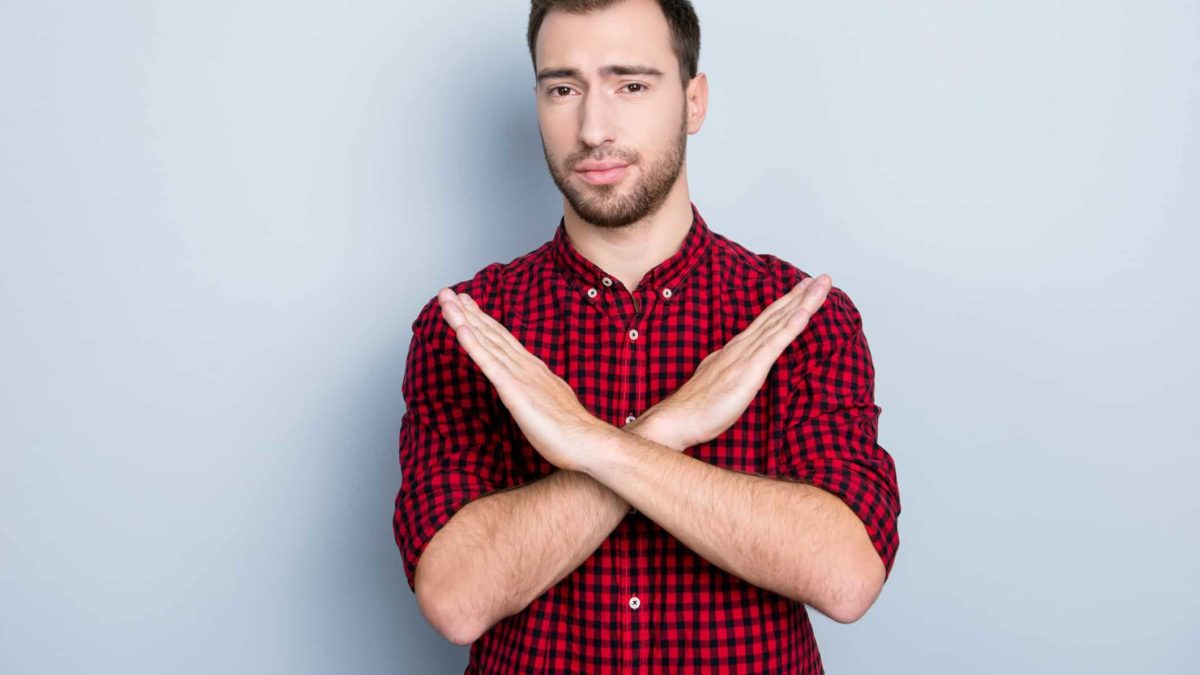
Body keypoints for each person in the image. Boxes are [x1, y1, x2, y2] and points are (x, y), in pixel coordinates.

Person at [392, 0, 901, 671]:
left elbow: (845, 576)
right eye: (563, 88)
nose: (593, 127)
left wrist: (589, 444)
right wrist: (672, 426)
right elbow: (458, 598)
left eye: (631, 85)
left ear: (694, 101)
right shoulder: (470, 328)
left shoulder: (797, 316)